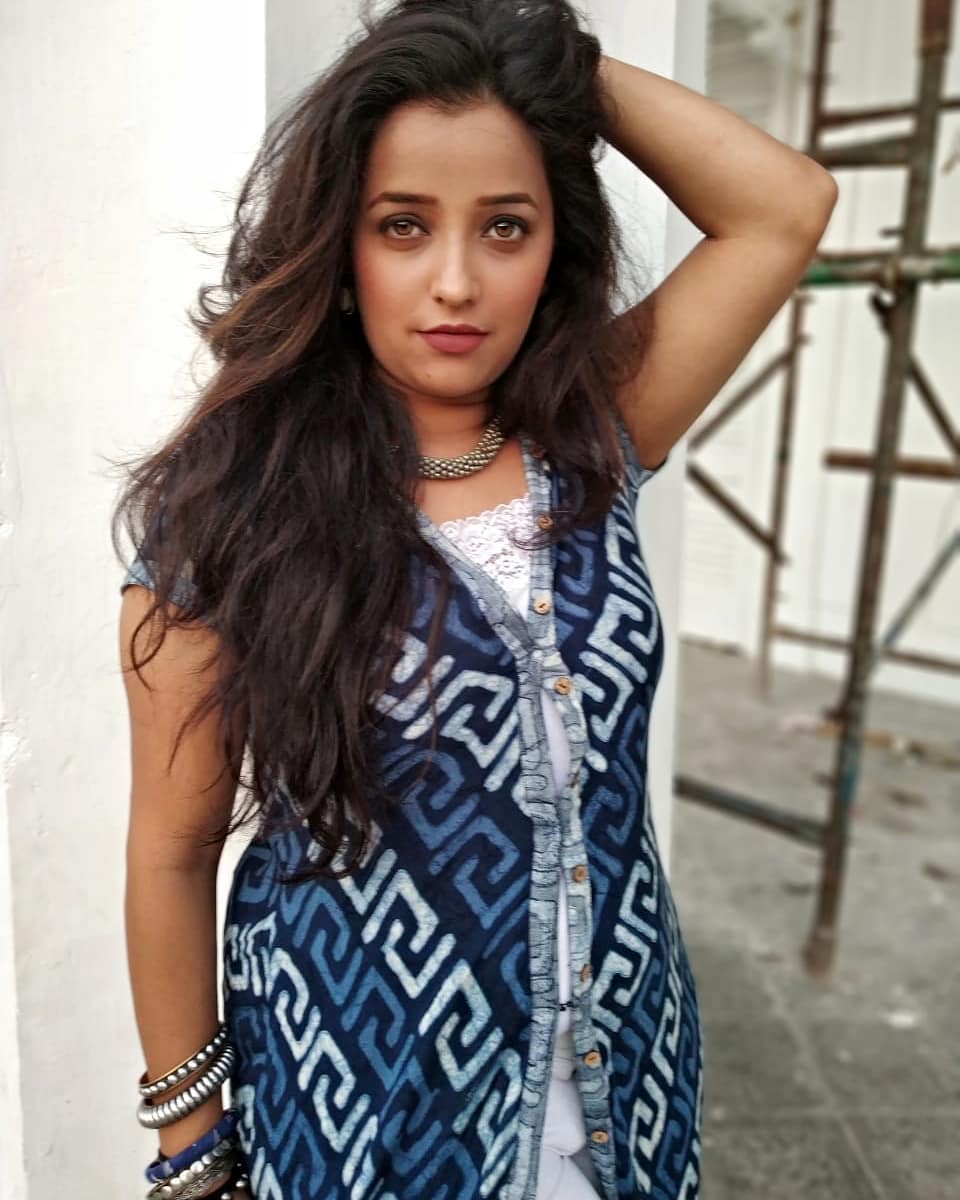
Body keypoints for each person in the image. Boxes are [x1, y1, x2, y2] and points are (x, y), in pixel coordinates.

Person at [115, 1, 837, 1197]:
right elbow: (171, 851)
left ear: (557, 245)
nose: (455, 282)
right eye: (403, 225)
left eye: (506, 225)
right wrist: (191, 1154)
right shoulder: (222, 514)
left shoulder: (595, 433)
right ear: (339, 246)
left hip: (629, 1095)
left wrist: (544, 66)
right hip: (366, 1118)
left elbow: (785, 205)